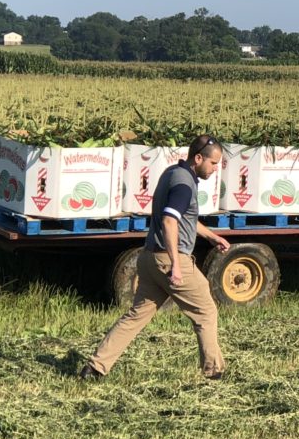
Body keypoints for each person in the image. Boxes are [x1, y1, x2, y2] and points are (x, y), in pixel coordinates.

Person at [79, 134, 231, 381]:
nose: (216, 169)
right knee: (206, 311)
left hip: (149, 258)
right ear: (199, 157)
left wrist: (211, 237)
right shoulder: (184, 185)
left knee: (136, 316)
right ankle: (214, 373)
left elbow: (183, 219)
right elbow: (170, 221)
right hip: (170, 259)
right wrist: (176, 266)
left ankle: (95, 368)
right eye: (213, 163)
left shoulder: (172, 173)